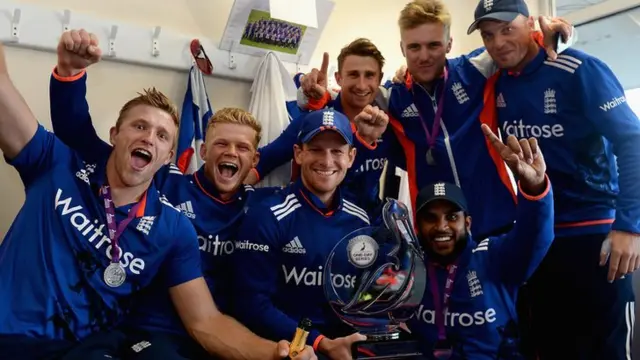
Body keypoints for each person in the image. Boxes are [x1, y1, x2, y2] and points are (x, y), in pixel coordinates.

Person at [0, 38, 314, 360]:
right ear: (114, 136)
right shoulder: (57, 165)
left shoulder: (174, 228)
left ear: (167, 157)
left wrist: (278, 354)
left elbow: (207, 321)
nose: (149, 138)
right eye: (139, 126)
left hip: (85, 350)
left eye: (162, 136)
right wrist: (69, 73)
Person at [297, 0, 573, 240]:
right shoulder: (392, 96)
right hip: (435, 230)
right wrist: (310, 97)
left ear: (449, 44)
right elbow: (345, 95)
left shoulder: (475, 70)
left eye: (434, 45)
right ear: (402, 48)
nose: (424, 56)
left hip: (495, 220)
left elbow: (517, 45)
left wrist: (556, 35)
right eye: (414, 47)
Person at [469, 0, 640, 358]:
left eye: (507, 29)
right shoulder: (495, 80)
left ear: (530, 24)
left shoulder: (579, 69)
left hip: (596, 236)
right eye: (488, 35)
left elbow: (633, 140)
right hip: (538, 240)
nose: (498, 43)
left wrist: (630, 226)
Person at [233, 109, 375, 359]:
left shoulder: (360, 221)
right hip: (284, 348)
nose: (327, 161)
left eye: (337, 151)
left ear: (351, 157)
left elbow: (360, 295)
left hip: (344, 345)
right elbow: (252, 304)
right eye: (316, 149)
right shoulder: (267, 216)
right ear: (298, 153)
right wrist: (320, 342)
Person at [408, 124, 553, 359]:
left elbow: (536, 235)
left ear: (468, 223)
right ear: (418, 224)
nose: (441, 226)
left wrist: (533, 186)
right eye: (430, 218)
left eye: (452, 217)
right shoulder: (409, 268)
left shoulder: (494, 256)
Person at [244, 38, 395, 216]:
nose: (362, 85)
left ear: (380, 79)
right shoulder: (314, 120)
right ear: (339, 78)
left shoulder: (387, 124)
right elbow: (263, 161)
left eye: (369, 75)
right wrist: (227, 200)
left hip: (367, 227)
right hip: (313, 223)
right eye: (353, 74)